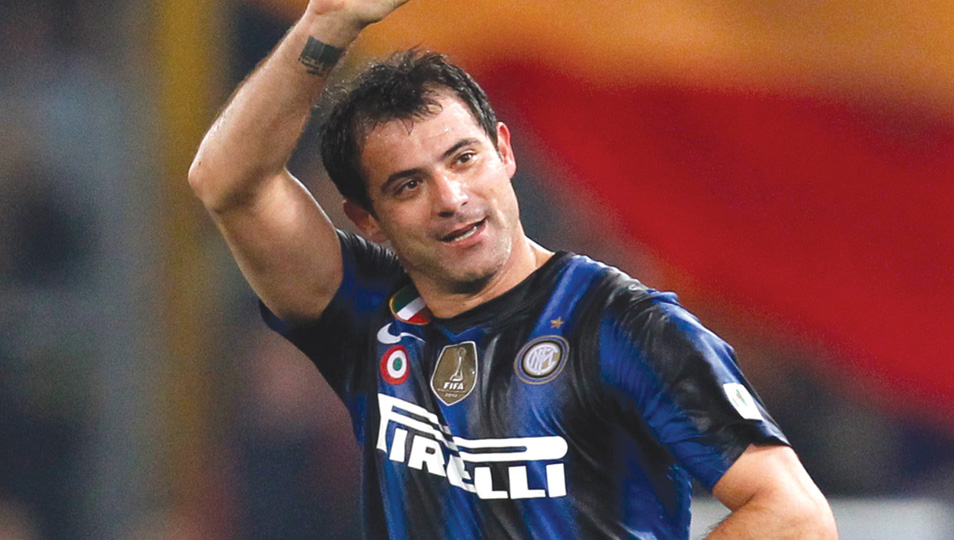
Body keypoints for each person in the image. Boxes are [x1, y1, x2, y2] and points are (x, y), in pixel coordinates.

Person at [188, 0, 838, 538]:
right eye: (409, 185)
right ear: (368, 220)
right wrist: (326, 23)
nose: (451, 198)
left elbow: (794, 515)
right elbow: (227, 182)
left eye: (463, 158)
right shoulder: (367, 316)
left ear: (504, 151)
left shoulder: (626, 326)